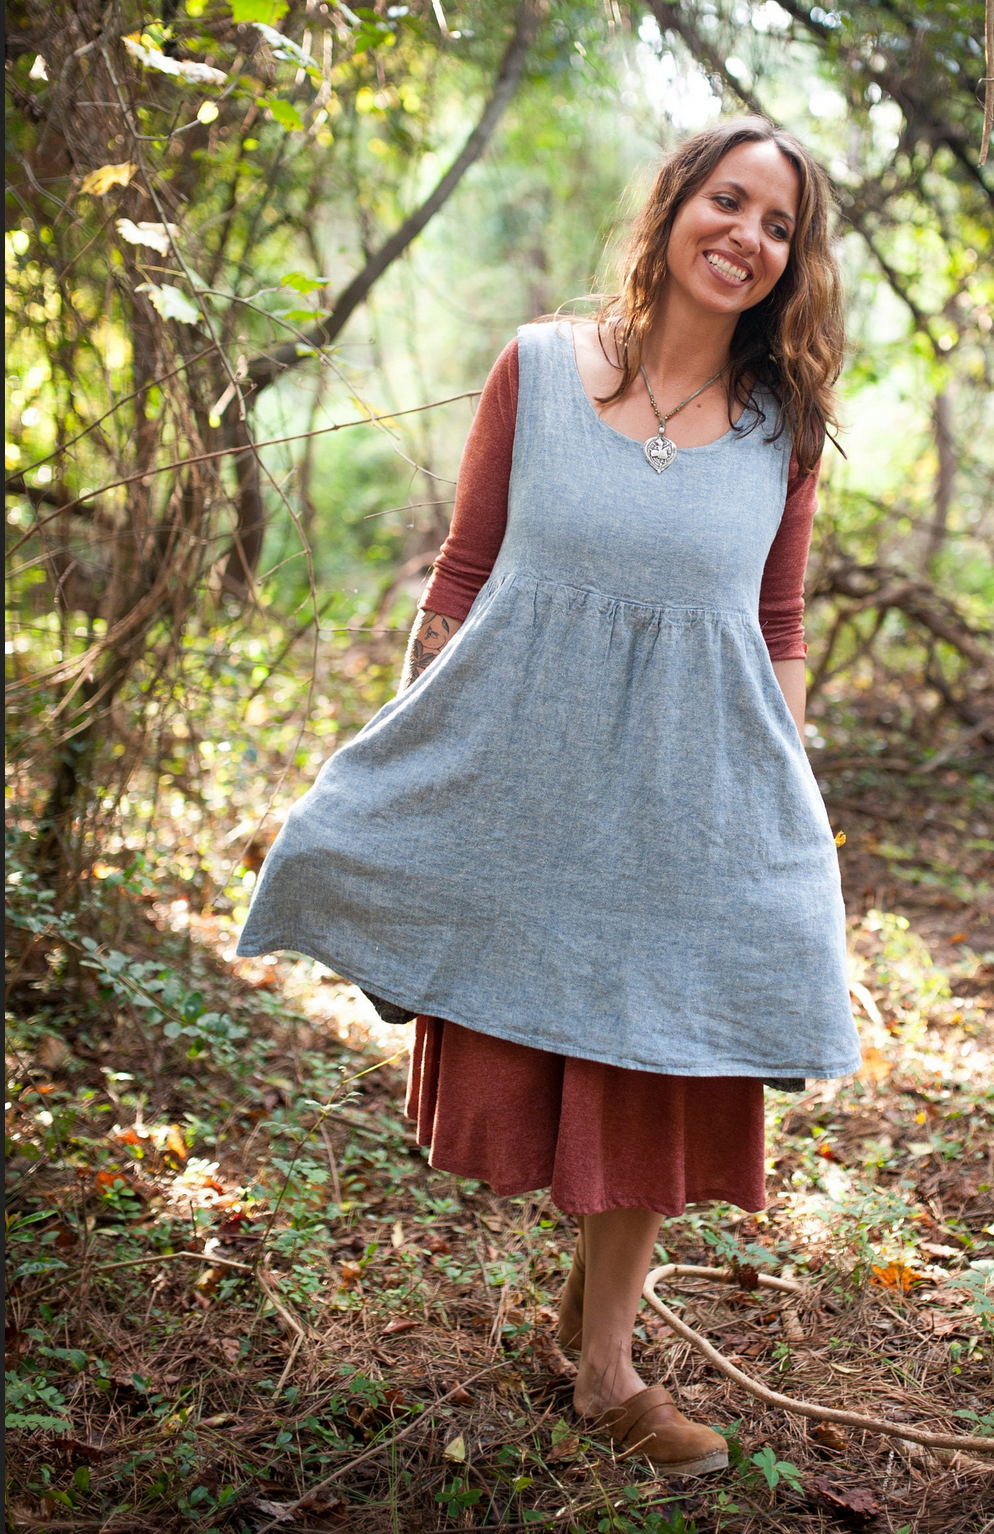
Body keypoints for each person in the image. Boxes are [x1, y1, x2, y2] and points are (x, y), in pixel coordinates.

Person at [237, 116, 861, 1477]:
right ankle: (590, 1328)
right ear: (675, 202)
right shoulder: (534, 361)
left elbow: (778, 619)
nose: (747, 237)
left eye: (778, 225)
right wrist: (429, 767)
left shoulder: (782, 428)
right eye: (728, 200)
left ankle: (603, 1366)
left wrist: (785, 795)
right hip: (536, 773)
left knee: (662, 1055)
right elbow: (461, 577)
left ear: (791, 261)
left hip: (693, 793)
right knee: (563, 1026)